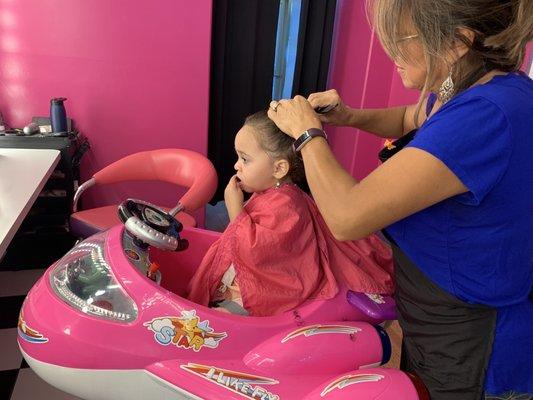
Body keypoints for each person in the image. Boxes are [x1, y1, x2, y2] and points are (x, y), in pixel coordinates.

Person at [267, 1, 533, 399]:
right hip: (433, 312)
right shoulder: (476, 84)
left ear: (458, 41)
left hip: (471, 339)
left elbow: (347, 215)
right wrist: (350, 116)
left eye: (402, 40)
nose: (391, 53)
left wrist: (308, 134)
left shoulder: (487, 116)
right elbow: (415, 118)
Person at [187, 111, 394, 316]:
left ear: (279, 168)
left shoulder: (286, 205)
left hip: (264, 293)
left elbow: (257, 251)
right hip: (245, 278)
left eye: (245, 159)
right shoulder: (271, 192)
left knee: (214, 321)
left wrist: (235, 209)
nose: (236, 165)